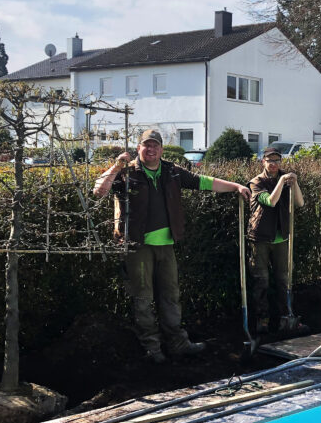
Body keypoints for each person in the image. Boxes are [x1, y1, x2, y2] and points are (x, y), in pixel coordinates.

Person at [94, 128, 251, 363]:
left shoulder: (171, 171)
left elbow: (203, 182)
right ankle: (152, 347)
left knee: (170, 295)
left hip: (166, 245)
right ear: (139, 148)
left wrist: (236, 186)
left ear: (161, 149)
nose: (151, 149)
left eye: (155, 145)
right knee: (143, 298)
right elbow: (99, 190)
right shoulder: (127, 173)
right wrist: (117, 166)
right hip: (138, 246)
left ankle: (177, 343)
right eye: (146, 145)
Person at [247, 146, 305, 334]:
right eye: (269, 161)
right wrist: (281, 181)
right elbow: (270, 202)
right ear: (263, 162)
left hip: (282, 238)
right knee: (261, 280)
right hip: (260, 238)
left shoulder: (286, 180)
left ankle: (287, 317)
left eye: (276, 161)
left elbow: (300, 203)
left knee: (284, 280)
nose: (273, 164)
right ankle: (262, 320)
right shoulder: (256, 182)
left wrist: (294, 183)